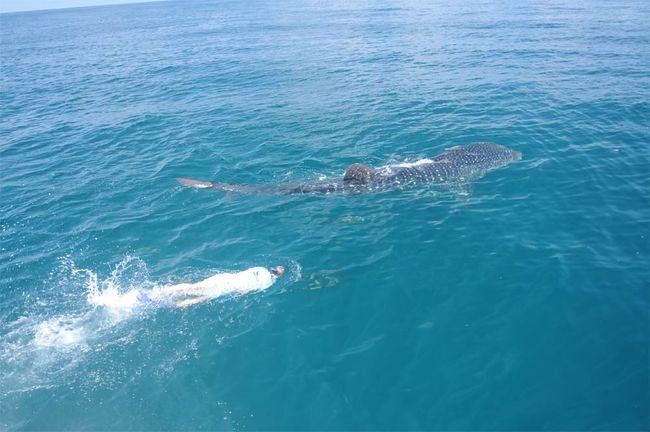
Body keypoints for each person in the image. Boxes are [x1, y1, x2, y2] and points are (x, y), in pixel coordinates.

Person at [140, 266, 285, 308]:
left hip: (224, 278)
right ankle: (171, 305)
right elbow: (246, 290)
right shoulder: (268, 283)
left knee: (193, 287)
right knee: (201, 298)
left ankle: (163, 291)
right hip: (227, 288)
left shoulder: (260, 268)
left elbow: (245, 271)